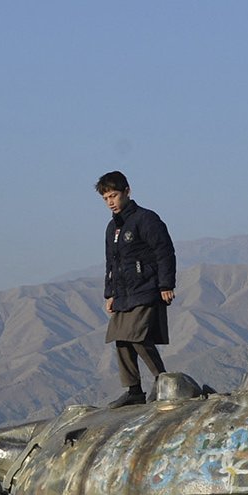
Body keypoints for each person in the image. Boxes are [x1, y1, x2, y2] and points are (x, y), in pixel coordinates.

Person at [96, 170, 176, 406]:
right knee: (120, 339)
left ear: (127, 192)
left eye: (114, 195)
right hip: (124, 293)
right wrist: (109, 293)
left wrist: (165, 284)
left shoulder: (146, 219)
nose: (110, 202)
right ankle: (134, 391)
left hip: (146, 288)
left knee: (136, 336)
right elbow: (111, 263)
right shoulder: (112, 228)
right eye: (106, 198)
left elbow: (164, 251)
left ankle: (163, 381)